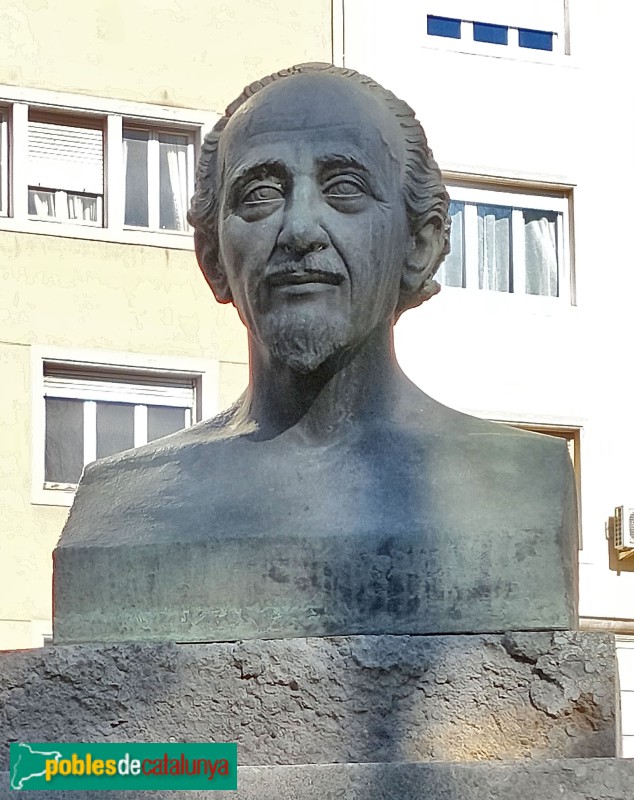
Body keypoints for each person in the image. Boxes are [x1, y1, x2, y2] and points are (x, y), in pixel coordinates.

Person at [54, 64, 577, 644]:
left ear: (420, 244)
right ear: (212, 258)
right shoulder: (124, 503)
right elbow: (118, 743)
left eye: (345, 189)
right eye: (260, 195)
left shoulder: (518, 483)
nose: (301, 227)